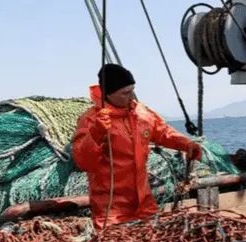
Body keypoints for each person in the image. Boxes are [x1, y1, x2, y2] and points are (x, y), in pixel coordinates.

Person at [72, 64, 202, 229]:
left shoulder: (142, 113)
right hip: (111, 208)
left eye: (132, 90)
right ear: (108, 94)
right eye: (125, 93)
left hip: (144, 202)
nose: (131, 96)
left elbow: (162, 132)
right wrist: (96, 133)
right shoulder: (91, 119)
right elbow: (83, 161)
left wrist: (186, 144)